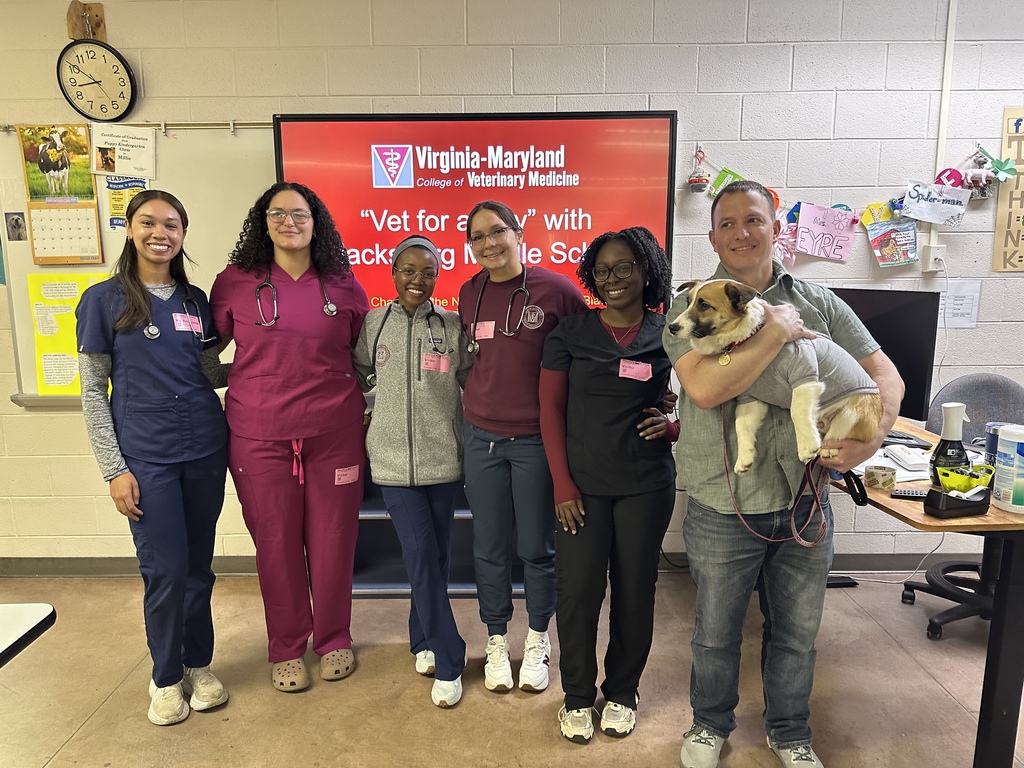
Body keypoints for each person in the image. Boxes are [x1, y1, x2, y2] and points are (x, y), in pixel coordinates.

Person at [663, 180, 904, 768]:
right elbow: (704, 386)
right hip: (725, 501)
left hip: (805, 501)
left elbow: (886, 378)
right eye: (727, 223)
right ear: (712, 234)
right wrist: (776, 330)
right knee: (715, 632)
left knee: (796, 632)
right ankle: (707, 726)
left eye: (754, 220)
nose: (741, 232)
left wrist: (867, 441)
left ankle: (790, 732)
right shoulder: (690, 305)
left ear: (777, 228)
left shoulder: (821, 302)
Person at [76, 190, 230, 726]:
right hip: (147, 458)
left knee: (198, 569)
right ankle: (166, 676)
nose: (159, 233)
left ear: (184, 235)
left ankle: (198, 663)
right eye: (148, 223)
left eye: (171, 225)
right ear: (130, 229)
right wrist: (114, 470)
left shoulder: (194, 301)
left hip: (207, 452)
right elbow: (94, 392)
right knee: (164, 570)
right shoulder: (103, 300)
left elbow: (211, 374)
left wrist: (278, 364)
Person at [210, 181, 370, 692]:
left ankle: (334, 638)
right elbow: (204, 352)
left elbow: (363, 353)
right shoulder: (235, 282)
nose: (289, 223)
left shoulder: (342, 282)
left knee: (334, 541)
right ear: (263, 222)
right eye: (277, 214)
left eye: (299, 214)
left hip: (335, 433)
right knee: (275, 544)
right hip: (260, 436)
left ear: (315, 222)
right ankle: (285, 647)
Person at [539, 227, 678, 743]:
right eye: (602, 270)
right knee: (576, 592)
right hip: (582, 488)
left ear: (645, 272)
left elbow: (699, 404)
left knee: (635, 591)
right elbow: (549, 411)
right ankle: (577, 697)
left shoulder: (671, 332)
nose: (613, 278)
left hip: (646, 483)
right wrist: (561, 486)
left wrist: (674, 426)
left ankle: (622, 691)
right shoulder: (569, 334)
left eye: (624, 268)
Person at [458, 200, 588, 694]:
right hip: (481, 437)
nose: (489, 243)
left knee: (536, 548)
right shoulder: (469, 293)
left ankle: (537, 638)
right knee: (488, 549)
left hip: (535, 440)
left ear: (518, 232)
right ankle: (496, 638)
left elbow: (588, 348)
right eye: (478, 236)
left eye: (497, 232)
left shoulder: (555, 290)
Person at [352, 235, 474, 708]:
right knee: (421, 555)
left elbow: (471, 381)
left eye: (427, 272)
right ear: (393, 272)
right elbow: (361, 369)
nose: (417, 280)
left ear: (438, 277)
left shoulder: (450, 326)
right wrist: (372, 411)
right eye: (408, 270)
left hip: (444, 462)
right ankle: (449, 656)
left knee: (437, 556)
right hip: (391, 465)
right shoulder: (373, 323)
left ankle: (421, 637)